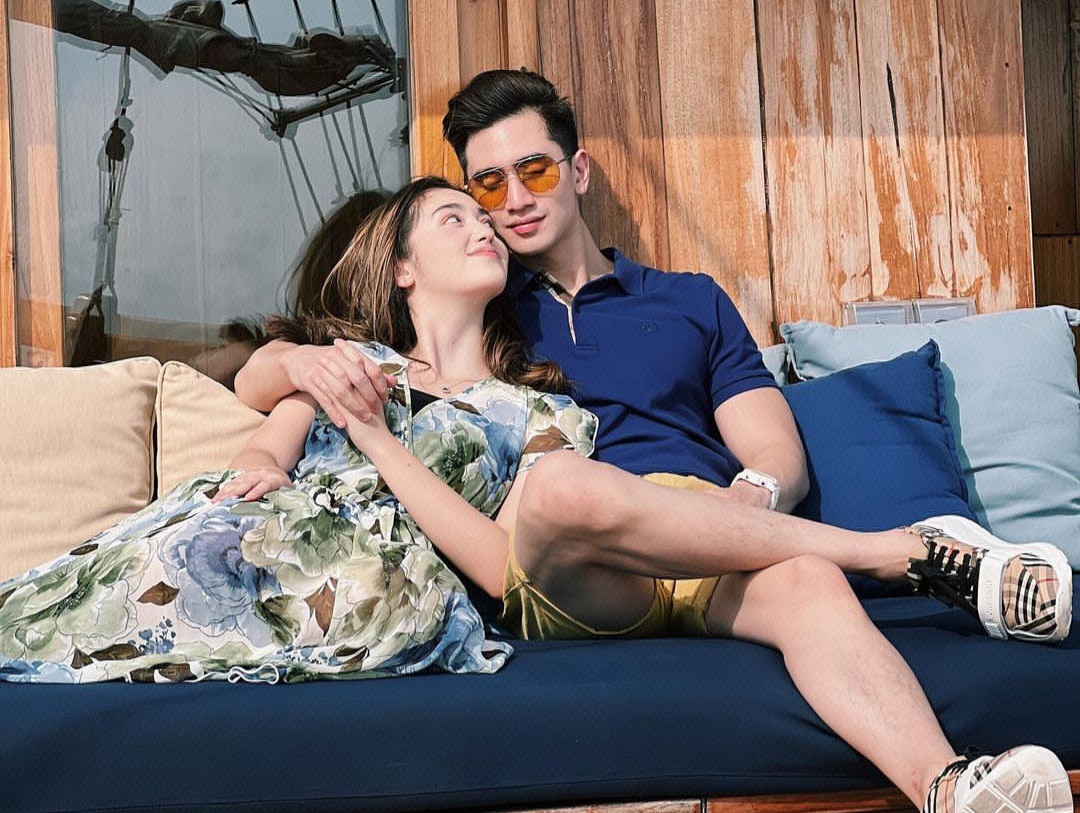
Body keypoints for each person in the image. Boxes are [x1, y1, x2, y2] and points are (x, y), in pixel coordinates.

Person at [233, 70, 1073, 812]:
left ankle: (948, 785)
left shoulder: (688, 300)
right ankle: (901, 551)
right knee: (562, 482)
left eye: (534, 170)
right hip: (577, 563)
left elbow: (774, 452)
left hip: (709, 538)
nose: (513, 200)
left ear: (578, 171)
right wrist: (294, 364)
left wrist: (754, 498)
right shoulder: (481, 302)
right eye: (487, 186)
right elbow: (303, 368)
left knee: (808, 578)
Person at [0, 176, 596, 684]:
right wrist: (260, 469)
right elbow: (264, 449)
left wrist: (377, 440)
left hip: (379, 585)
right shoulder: (348, 363)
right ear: (403, 269)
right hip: (264, 538)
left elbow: (503, 568)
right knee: (99, 589)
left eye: (484, 221)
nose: (484, 228)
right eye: (453, 219)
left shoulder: (538, 413)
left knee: (371, 590)